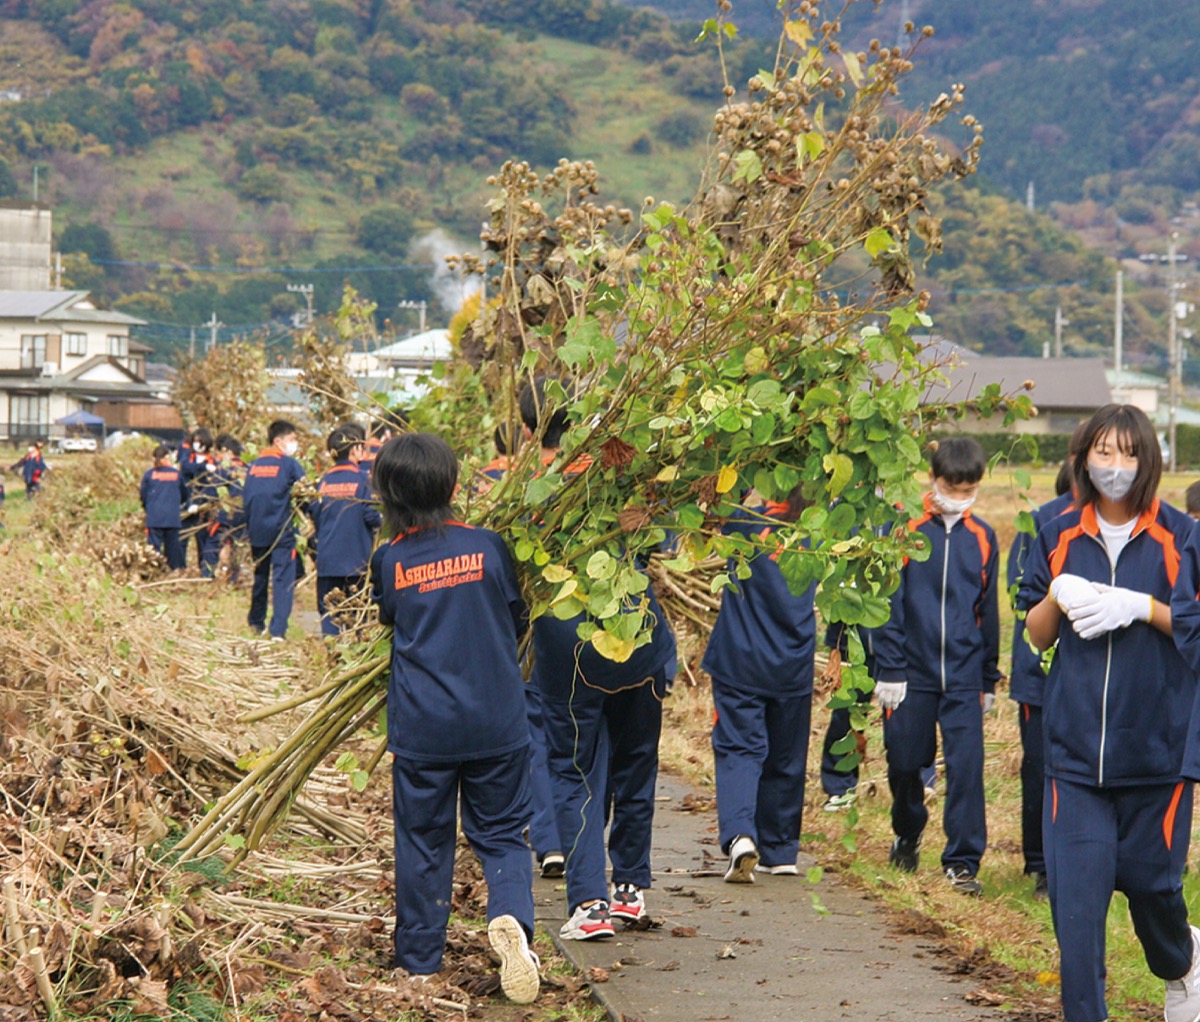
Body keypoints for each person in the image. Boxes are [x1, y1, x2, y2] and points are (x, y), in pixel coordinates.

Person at [1021, 404, 1200, 1022]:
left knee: (1153, 889)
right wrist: (1057, 592)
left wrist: (1141, 607)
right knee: (1076, 922)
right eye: (1103, 452)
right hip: (1073, 761)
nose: (1115, 466)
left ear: (1148, 460)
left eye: (1128, 453)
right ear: (1084, 457)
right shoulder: (1054, 531)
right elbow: (1036, 634)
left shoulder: (1182, 535)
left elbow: (1194, 628)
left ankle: (1184, 962)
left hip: (1156, 756)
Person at [369, 432, 540, 1004]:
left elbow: (391, 620)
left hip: (425, 727)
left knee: (423, 839)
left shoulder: (390, 560)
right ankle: (512, 919)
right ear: (454, 484)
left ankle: (419, 960)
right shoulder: (489, 546)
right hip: (497, 719)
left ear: (388, 494)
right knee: (502, 834)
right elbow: (516, 618)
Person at [521, 377, 675, 939]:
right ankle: (629, 888)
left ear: (528, 430)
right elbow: (658, 542)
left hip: (570, 654)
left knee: (576, 772)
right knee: (636, 763)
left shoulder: (525, 498)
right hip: (638, 643)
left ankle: (590, 904)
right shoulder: (620, 477)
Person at [871, 436, 1000, 897]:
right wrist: (890, 669)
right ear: (933, 479)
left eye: (968, 491)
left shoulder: (983, 537)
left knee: (967, 769)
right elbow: (887, 602)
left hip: (963, 676)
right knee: (905, 761)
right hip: (912, 673)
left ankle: (962, 862)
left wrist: (988, 677)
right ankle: (907, 831)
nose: (959, 498)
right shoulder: (905, 529)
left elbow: (988, 611)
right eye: (951, 488)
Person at [702, 485, 816, 881]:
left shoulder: (746, 525)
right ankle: (780, 850)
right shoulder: (820, 535)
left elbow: (712, 503)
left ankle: (740, 836)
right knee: (786, 756)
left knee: (739, 748)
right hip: (792, 661)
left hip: (740, 659)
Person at [1005, 424, 1087, 899]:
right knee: (1039, 767)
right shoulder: (1043, 522)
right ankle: (1040, 864)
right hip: (1040, 671)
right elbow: (1021, 595)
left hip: (1093, 675)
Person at [311, 423, 381, 637]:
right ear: (354, 449)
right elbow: (371, 515)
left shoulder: (323, 482)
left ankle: (332, 652)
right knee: (357, 616)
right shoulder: (364, 480)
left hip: (327, 561)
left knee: (330, 614)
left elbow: (315, 513)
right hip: (356, 562)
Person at [243, 420, 307, 640]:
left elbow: (247, 499)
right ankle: (277, 630)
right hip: (282, 532)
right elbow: (306, 492)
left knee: (261, 576)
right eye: (292, 439)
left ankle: (256, 622)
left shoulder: (253, 466)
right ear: (278, 441)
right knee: (283, 580)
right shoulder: (289, 465)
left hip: (257, 530)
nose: (295, 443)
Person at [139, 444, 187, 570]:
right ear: (167, 458)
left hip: (155, 518)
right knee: (172, 549)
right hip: (172, 518)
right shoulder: (177, 474)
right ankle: (173, 571)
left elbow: (143, 495)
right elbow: (184, 494)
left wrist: (148, 508)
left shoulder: (149, 475)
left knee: (154, 549)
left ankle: (155, 571)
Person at [212, 434, 247, 582]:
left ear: (229, 452)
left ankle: (211, 574)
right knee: (238, 545)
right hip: (245, 513)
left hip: (228, 514)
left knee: (217, 544)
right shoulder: (248, 468)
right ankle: (234, 576)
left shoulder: (224, 469)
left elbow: (215, 490)